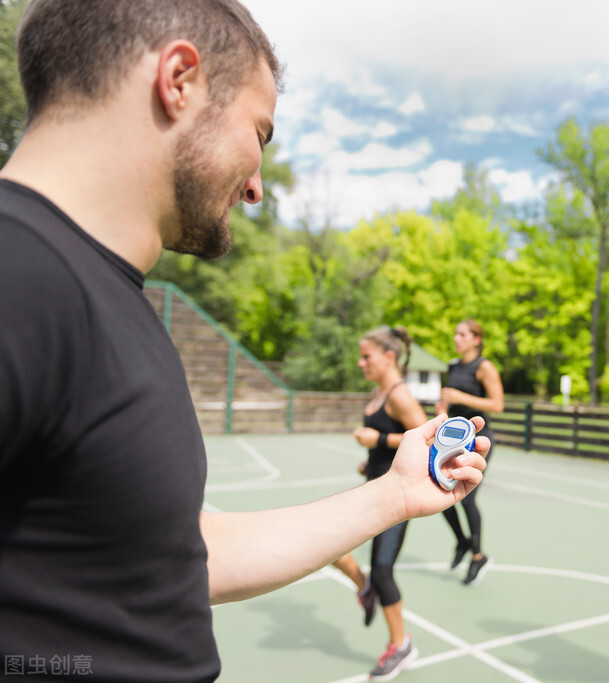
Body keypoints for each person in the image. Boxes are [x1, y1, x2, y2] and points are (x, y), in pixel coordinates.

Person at [0, 2, 488, 681]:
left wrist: (394, 495)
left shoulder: (104, 294)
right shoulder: (19, 269)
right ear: (179, 80)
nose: (257, 185)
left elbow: (183, 554)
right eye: (260, 131)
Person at [349, 325, 430, 680]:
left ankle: (401, 645)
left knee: (383, 569)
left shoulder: (399, 395)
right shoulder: (379, 392)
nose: (360, 362)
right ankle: (364, 588)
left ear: (388, 357)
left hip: (397, 493)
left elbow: (426, 439)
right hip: (375, 486)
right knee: (331, 544)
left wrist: (378, 438)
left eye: (366, 356)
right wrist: (372, 457)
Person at [436, 319, 505, 586]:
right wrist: (442, 410)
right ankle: (462, 542)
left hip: (478, 439)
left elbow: (497, 404)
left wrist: (461, 398)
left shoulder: (484, 367)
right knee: (441, 489)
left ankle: (478, 556)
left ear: (477, 339)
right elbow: (447, 404)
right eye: (455, 333)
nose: (456, 338)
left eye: (462, 334)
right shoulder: (453, 366)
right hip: (453, 438)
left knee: (466, 499)